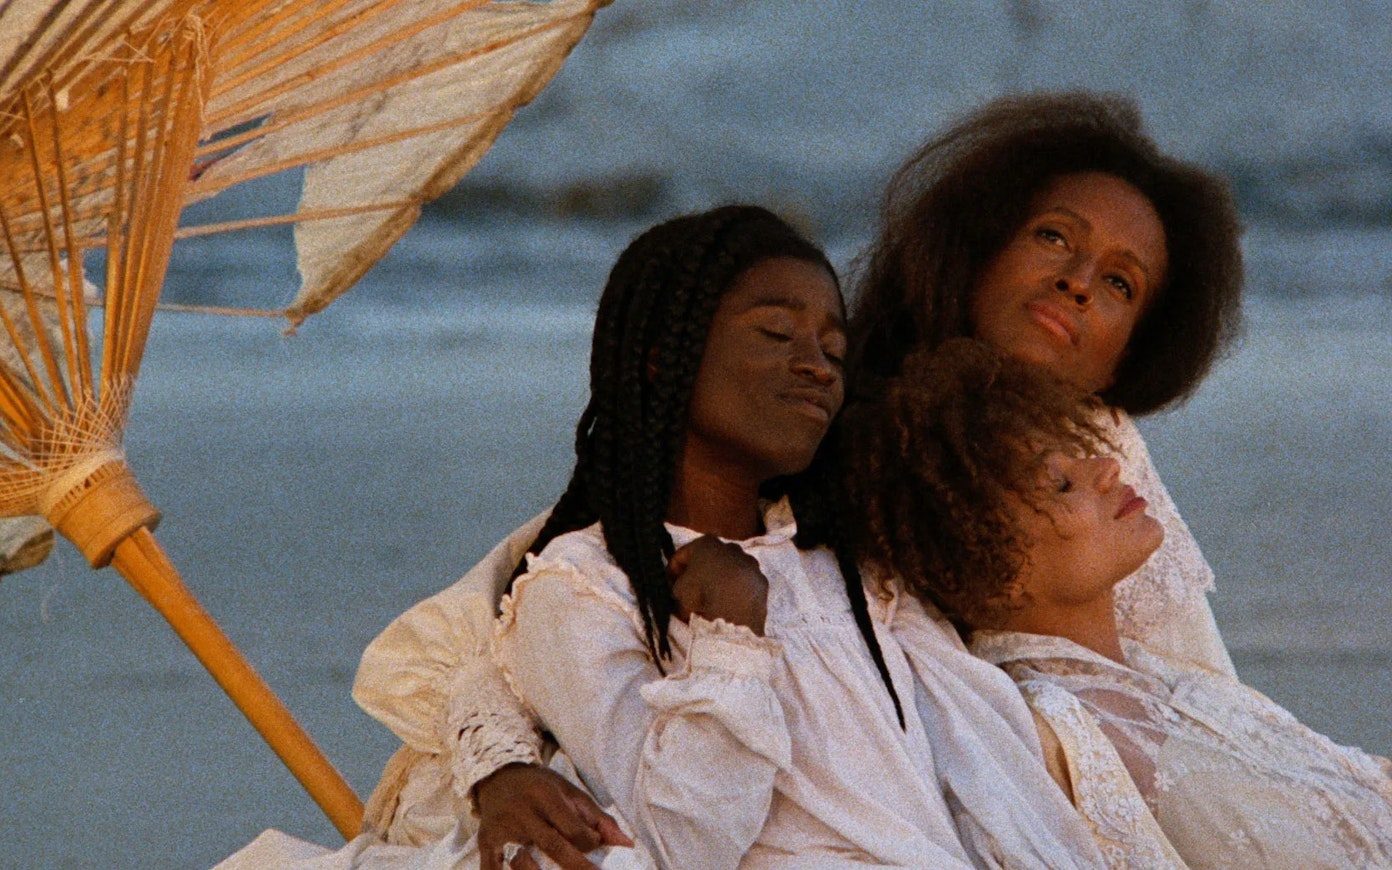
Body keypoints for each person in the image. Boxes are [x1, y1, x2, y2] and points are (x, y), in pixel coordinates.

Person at [350, 91, 1243, 865]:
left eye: (1122, 285)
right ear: (977, 243)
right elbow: (503, 615)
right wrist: (497, 765)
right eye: (1053, 237)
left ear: (1138, 347)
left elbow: (1193, 688)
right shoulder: (822, 453)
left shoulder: (1105, 448)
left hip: (1061, 795)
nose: (1080, 284)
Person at [845, 337, 1392, 869]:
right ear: (990, 569)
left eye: (1078, 456)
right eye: (1060, 484)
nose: (1107, 467)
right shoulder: (1056, 728)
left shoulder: (1154, 672)